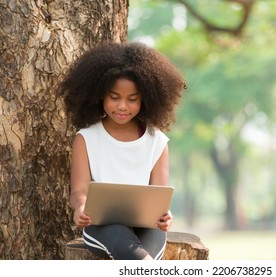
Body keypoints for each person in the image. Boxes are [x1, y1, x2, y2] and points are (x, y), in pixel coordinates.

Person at [59, 41, 186, 260]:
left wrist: (166, 217)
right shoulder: (86, 138)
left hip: (148, 228)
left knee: (141, 257)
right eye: (114, 97)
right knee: (127, 246)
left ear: (145, 99)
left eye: (132, 99)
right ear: (100, 95)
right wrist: (80, 207)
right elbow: (79, 192)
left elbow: (159, 197)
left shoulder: (157, 141)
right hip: (102, 226)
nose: (122, 106)